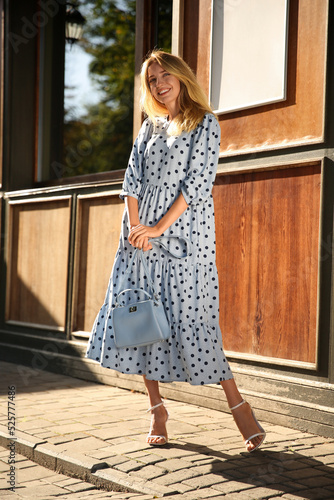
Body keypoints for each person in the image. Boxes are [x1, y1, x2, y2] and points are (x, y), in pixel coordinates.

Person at [86, 50, 266, 452]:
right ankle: (156, 410)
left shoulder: (205, 124)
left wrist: (158, 228)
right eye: (151, 80)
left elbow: (198, 185)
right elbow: (131, 179)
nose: (159, 84)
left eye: (164, 75)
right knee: (140, 318)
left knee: (195, 318)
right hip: (138, 240)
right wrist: (137, 228)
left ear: (181, 76)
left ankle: (239, 407)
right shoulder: (149, 127)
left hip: (184, 238)